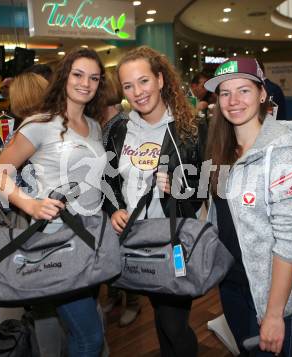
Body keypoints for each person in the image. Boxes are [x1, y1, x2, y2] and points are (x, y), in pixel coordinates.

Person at [0, 47, 107, 357]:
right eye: (78, 74)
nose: (86, 83)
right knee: (89, 337)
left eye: (94, 77)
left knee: (85, 329)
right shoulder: (40, 123)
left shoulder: (93, 125)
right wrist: (29, 204)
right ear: (64, 76)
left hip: (90, 238)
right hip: (56, 241)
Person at [205, 57, 292, 356]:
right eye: (225, 93)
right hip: (232, 285)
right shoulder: (223, 149)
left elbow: (290, 240)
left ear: (262, 93)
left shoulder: (285, 152)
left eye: (244, 90)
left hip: (271, 294)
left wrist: (274, 314)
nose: (233, 100)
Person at [104, 46, 206, 357]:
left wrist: (181, 187)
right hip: (137, 239)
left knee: (173, 322)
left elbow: (204, 187)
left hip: (174, 238)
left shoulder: (191, 128)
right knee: (162, 319)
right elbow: (107, 180)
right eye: (128, 85)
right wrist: (114, 209)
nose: (138, 92)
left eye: (144, 81)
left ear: (161, 80)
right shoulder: (120, 129)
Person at [100, 71, 141, 327]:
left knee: (125, 252)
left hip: (121, 200)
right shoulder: (99, 125)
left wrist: (119, 205)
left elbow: (124, 173)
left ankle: (134, 301)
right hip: (104, 199)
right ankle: (114, 294)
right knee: (109, 252)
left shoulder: (123, 125)